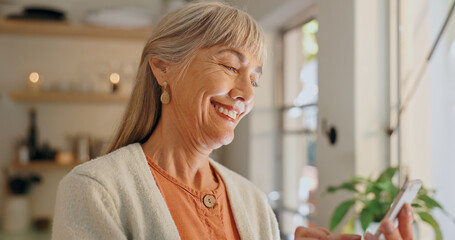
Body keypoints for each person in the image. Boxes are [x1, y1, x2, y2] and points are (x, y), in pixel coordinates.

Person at [52, 2, 414, 240]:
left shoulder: (251, 201)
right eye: (229, 66)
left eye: (254, 79)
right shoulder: (94, 192)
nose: (247, 93)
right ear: (163, 67)